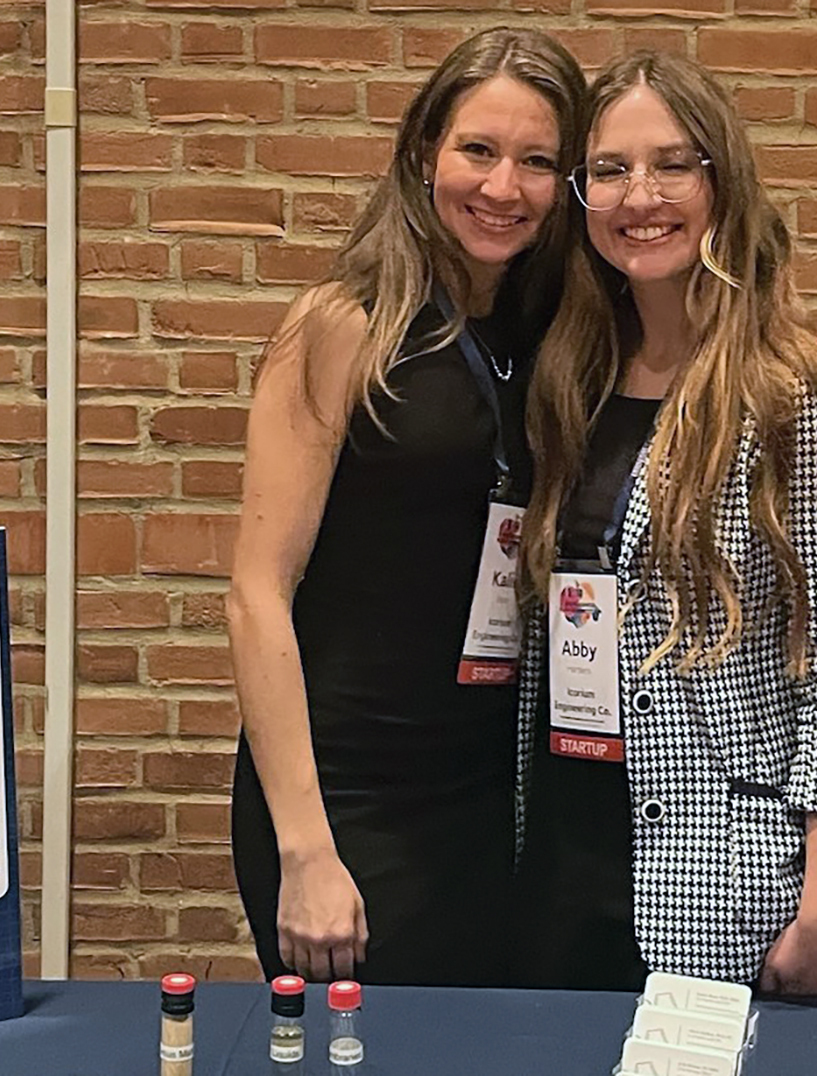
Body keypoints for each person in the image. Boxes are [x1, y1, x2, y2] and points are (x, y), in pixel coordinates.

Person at [515, 51, 817, 995]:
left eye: (672, 164)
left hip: (723, 874)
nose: (638, 195)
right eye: (609, 169)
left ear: (720, 183)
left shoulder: (790, 393)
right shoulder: (567, 374)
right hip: (564, 842)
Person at [227, 28, 588, 987]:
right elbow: (256, 594)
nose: (503, 187)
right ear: (425, 151)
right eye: (478, 150)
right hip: (348, 797)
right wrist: (305, 848)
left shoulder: (553, 332)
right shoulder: (344, 325)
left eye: (538, 161)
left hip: (490, 797)